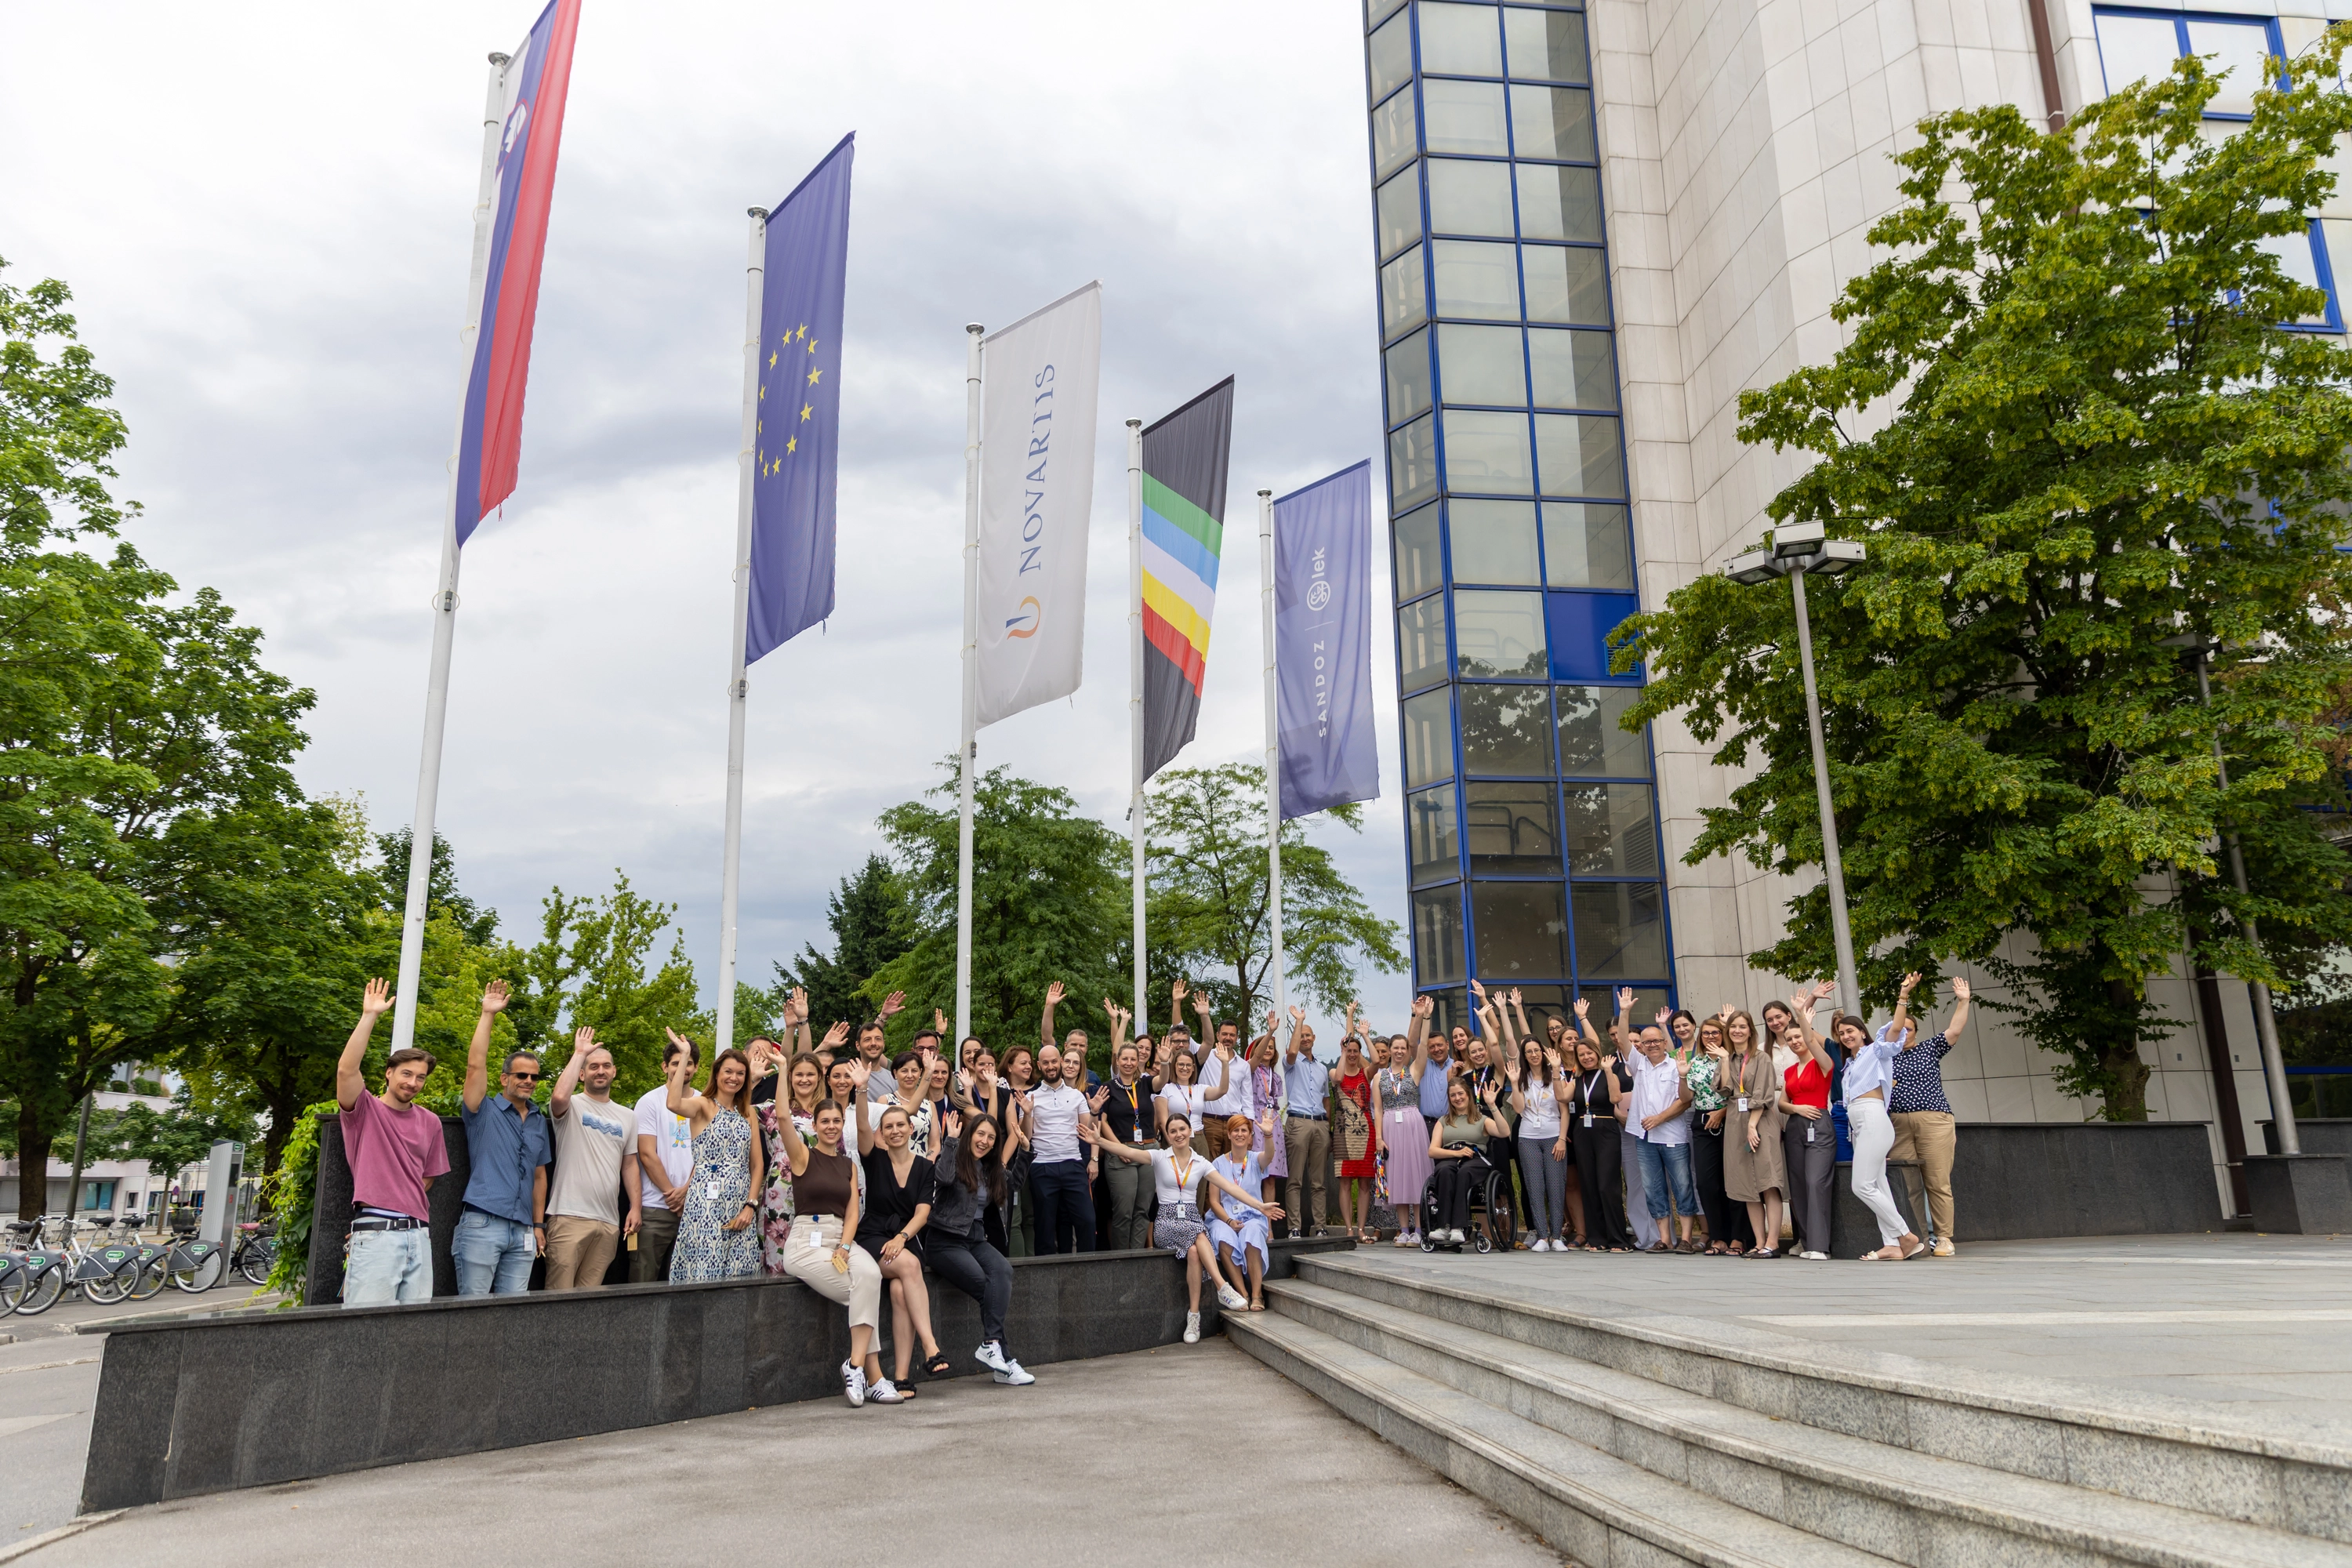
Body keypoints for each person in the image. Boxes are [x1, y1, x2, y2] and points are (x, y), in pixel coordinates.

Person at [1085, 1113, 1277, 1343]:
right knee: (1198, 1233)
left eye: (1182, 1129)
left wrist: (1259, 1205)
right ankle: (1222, 1286)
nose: (1178, 1135)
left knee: (1195, 1251)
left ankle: (1193, 1318)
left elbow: (1230, 1188)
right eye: (1173, 1131)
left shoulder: (1201, 1163)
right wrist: (1099, 1141)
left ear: (1190, 1131)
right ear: (1168, 1135)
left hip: (1191, 1218)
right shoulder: (1159, 1157)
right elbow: (1128, 1152)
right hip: (1166, 1221)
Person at [772, 1097, 895, 1405]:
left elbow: (852, 1213)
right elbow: (784, 1118)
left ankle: (854, 1366)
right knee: (862, 1292)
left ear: (843, 1125)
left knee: (870, 1273)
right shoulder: (802, 1155)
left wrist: (843, 1246)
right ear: (814, 1125)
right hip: (805, 1242)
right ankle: (874, 1376)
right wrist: (783, 1068)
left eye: (836, 1121)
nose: (831, 1126)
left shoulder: (848, 1165)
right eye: (824, 1121)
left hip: (841, 1238)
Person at [334, 978, 448, 1307]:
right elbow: (345, 1070)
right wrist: (369, 1015)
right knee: (366, 1328)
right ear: (388, 1073)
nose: (413, 1083)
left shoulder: (430, 1121)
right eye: (406, 1074)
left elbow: (427, 1177)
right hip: (377, 1234)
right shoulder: (364, 1109)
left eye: (421, 1077)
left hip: (419, 1235)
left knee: (413, 1331)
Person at [851, 1070, 947, 1395]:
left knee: (898, 1293)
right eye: (888, 1126)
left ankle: (902, 1376)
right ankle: (931, 1347)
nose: (894, 1130)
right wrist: (862, 1089)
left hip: (905, 1237)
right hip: (873, 1237)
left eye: (900, 1125)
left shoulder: (925, 1167)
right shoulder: (873, 1159)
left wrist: (902, 1238)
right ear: (882, 1133)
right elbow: (862, 1125)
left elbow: (923, 1212)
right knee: (908, 1266)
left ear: (911, 1129)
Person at [455, 979, 553, 1297]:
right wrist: (488, 1015)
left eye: (534, 1077)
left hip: (524, 1230)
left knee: (513, 1318)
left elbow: (540, 1177)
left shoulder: (539, 1120)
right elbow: (474, 1066)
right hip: (483, 1224)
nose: (528, 1081)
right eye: (521, 1075)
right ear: (505, 1078)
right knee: (472, 1313)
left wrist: (538, 1226)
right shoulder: (482, 1110)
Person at [926, 1109, 1032, 1385]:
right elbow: (944, 1179)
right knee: (988, 1288)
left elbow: (1015, 1184)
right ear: (970, 1135)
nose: (984, 1141)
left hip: (975, 1237)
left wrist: (1025, 1150)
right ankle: (1003, 1359)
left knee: (1003, 1272)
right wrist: (950, 1140)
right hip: (945, 1240)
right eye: (980, 1134)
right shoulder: (953, 1158)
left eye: (991, 1138)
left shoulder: (990, 1169)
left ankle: (995, 1353)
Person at [544, 1025, 641, 1290]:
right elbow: (559, 1096)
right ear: (582, 1074)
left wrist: (635, 1207)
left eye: (606, 1066)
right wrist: (579, 1054)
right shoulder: (572, 1105)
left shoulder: (628, 1116)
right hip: (568, 1216)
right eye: (594, 1066)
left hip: (609, 1222)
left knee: (589, 1305)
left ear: (614, 1071)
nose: (601, 1071)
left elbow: (630, 1164)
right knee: (558, 1297)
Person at [663, 1033, 764, 1282]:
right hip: (705, 1202)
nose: (734, 1078)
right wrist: (685, 1054)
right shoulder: (703, 1105)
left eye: (740, 1073)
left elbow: (757, 1164)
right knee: (703, 1268)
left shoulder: (748, 1112)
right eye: (728, 1071)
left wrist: (751, 1205)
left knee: (738, 1274)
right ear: (717, 1073)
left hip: (740, 1202)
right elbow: (674, 1103)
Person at [1846, 975, 1929, 1261]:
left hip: (1872, 1119)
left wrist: (1903, 995)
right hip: (1859, 1125)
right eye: (1842, 1033)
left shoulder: (1876, 1050)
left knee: (1861, 1186)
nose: (1846, 1036)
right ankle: (1891, 1244)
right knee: (1878, 1185)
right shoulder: (1851, 1063)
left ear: (1863, 1033)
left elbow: (1895, 1028)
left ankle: (1906, 1235)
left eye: (1851, 1031)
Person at [1890, 976, 1970, 1257]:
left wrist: (1963, 1001)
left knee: (1937, 1181)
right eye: (1898, 1029)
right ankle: (1919, 1238)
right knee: (1908, 1182)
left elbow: (1955, 1030)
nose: (1903, 1033)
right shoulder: (1884, 1057)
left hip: (1933, 1119)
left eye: (1908, 1029)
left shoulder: (1928, 1048)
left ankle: (1945, 1237)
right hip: (1897, 1123)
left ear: (1915, 1031)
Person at [1614, 1015, 1698, 1252]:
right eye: (1646, 1042)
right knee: (1653, 1189)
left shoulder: (1676, 1066)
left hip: (1673, 1136)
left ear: (1664, 1042)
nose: (1651, 1045)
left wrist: (1659, 1118)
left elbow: (1685, 1100)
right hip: (1644, 1138)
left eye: (1656, 1041)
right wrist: (1624, 1011)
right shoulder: (1638, 1064)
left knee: (1683, 1187)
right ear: (1640, 1045)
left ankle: (1687, 1239)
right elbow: (1622, 1040)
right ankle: (1665, 1239)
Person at [753, 1040, 833, 1274]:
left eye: (810, 1074)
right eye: (799, 1074)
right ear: (789, 1077)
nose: (804, 1079)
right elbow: (735, 1108)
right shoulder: (771, 1109)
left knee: (815, 1255)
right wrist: (752, 1080)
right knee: (777, 1253)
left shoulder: (828, 1111)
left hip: (819, 1187)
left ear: (820, 1077)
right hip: (781, 1190)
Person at [1777, 985, 1840, 1259]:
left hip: (1819, 1124)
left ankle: (1819, 1246)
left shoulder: (1822, 1063)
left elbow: (1814, 1043)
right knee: (1799, 1185)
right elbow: (1781, 1103)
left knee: (1816, 1182)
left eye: (1798, 1036)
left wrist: (1802, 1016)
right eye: (1789, 1039)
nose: (1795, 1041)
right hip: (1795, 1126)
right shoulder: (1791, 1070)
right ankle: (1805, 1241)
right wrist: (1797, 1108)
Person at [633, 1033, 699, 1283]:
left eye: (689, 1062)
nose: (684, 1068)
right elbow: (647, 1154)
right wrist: (673, 1195)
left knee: (687, 1284)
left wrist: (687, 1192)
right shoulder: (649, 1102)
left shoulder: (704, 1102)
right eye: (676, 1062)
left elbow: (707, 1156)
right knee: (643, 1281)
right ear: (665, 1067)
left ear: (696, 1067)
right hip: (655, 1207)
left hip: (693, 1208)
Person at [1721, 1009, 1788, 1258]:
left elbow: (1764, 1095)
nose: (1737, 1030)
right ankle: (1759, 1242)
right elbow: (1725, 1090)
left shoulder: (1761, 1058)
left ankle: (1773, 1242)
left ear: (1751, 1030)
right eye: (1733, 1027)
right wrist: (1725, 1061)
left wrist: (1752, 1125)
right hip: (1736, 1122)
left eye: (1742, 1026)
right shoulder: (1727, 1058)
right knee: (1747, 1185)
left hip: (1759, 1121)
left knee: (1768, 1182)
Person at [1093, 1007, 1158, 1250]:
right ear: (1117, 1061)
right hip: (1121, 1153)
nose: (1129, 1062)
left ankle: (1138, 1257)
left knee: (1143, 1210)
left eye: (1134, 1059)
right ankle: (1122, 1259)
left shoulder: (1146, 1083)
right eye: (1125, 1059)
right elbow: (1103, 1121)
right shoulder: (1109, 1087)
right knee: (1124, 1212)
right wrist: (1118, 1147)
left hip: (1149, 1151)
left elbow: (1163, 1080)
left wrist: (1165, 1060)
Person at [1504, 1003, 1569, 1251]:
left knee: (1556, 1186)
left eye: (1537, 1050)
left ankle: (1557, 1236)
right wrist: (1514, 1083)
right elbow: (1519, 1109)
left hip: (1554, 1136)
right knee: (1534, 1187)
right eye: (1529, 1051)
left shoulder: (1556, 1073)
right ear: (1524, 1055)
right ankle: (1542, 1236)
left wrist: (1562, 1139)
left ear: (1543, 1052)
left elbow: (1564, 1108)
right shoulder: (1520, 1077)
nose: (1533, 1054)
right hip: (1528, 1137)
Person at [1026, 1042, 1097, 1254]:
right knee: (1045, 1226)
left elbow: (1087, 1130)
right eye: (1045, 1062)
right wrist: (1027, 1113)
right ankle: (1044, 1275)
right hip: (1042, 1166)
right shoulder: (1031, 1097)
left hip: (1073, 1164)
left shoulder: (1076, 1096)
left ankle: (1087, 1268)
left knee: (1087, 1220)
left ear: (1061, 1062)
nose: (1050, 1066)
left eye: (1054, 1061)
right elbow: (1027, 1136)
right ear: (1039, 1065)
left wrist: (1094, 1111)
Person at [1376, 1000, 1434, 1247]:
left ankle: (1419, 1228)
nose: (1399, 1051)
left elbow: (1419, 1045)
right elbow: (1377, 1109)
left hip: (1413, 1124)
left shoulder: (1414, 1070)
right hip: (1390, 1125)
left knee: (1417, 1175)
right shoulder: (1379, 1076)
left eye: (1402, 1048)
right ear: (1389, 1050)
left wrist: (1424, 1017)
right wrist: (1379, 1137)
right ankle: (1403, 1229)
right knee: (1397, 1176)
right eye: (1395, 1047)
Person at [1566, 1029, 1630, 1250]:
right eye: (1581, 1054)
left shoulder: (1607, 1072)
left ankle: (1619, 1240)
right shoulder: (1578, 1079)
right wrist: (1556, 1070)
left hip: (1606, 1128)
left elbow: (1616, 1098)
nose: (1586, 1057)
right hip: (1583, 1132)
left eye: (1589, 1053)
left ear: (1597, 1052)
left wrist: (1609, 1071)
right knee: (1590, 1185)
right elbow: (1562, 1097)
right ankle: (1597, 1239)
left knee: (1607, 1185)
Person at [1426, 1076, 1508, 1245]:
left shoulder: (1482, 1119)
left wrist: (1492, 1106)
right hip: (1451, 1156)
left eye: (1460, 1094)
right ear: (1449, 1098)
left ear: (1468, 1095)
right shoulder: (1443, 1121)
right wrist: (1456, 1154)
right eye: (1453, 1095)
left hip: (1475, 1157)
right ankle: (1444, 1226)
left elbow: (1504, 1132)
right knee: (1444, 1171)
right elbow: (1432, 1151)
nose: (1458, 1098)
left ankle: (1458, 1228)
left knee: (1464, 1172)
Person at [1207, 1115, 1274, 1309]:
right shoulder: (1217, 1164)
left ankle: (1257, 1294)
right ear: (1229, 1134)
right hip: (1224, 1217)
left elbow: (1269, 1155)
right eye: (1235, 1130)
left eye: (1244, 1130)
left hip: (1252, 1216)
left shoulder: (1255, 1159)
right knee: (1221, 1236)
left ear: (1251, 1136)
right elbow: (1213, 1201)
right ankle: (1241, 1293)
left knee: (1251, 1233)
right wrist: (1228, 1221)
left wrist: (1268, 1135)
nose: (1240, 1134)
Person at [1686, 1014, 1739, 1255]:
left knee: (1733, 1182)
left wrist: (1723, 1112)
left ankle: (1738, 1237)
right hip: (1703, 1122)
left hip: (1732, 1120)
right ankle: (1718, 1237)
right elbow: (1687, 1098)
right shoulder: (1696, 1062)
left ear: (1724, 1034)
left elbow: (1740, 1093)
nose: (1710, 1037)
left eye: (1715, 1033)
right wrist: (1681, 1075)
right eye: (1705, 1033)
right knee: (1707, 1183)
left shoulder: (1735, 1059)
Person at [1606, 991, 1653, 1248]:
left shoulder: (1654, 1064)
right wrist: (1624, 1012)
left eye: (1640, 1041)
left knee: (1657, 1184)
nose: (1635, 1044)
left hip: (1654, 1130)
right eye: (1631, 1040)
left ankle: (1661, 1234)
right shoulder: (1616, 1064)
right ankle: (1643, 1235)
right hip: (1626, 1130)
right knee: (1635, 1183)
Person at [1280, 1007, 1331, 1237]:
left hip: (1320, 1123)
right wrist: (1299, 1021)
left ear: (1314, 1039)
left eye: (1308, 1035)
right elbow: (1292, 1051)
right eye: (1301, 1035)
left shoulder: (1322, 1068)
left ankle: (1320, 1227)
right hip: (1298, 1123)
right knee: (1295, 1180)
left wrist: (1327, 1126)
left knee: (1319, 1181)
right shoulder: (1291, 1063)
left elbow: (1326, 1099)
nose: (1305, 1038)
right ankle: (1294, 1227)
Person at [1331, 1019, 1379, 1241]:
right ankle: (1349, 1229)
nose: (1351, 1054)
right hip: (1343, 1134)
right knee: (1345, 1181)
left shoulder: (1366, 1073)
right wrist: (1342, 1051)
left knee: (1364, 1182)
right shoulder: (1334, 1070)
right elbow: (1339, 1079)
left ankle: (1361, 1229)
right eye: (1349, 1050)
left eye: (1354, 1051)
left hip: (1365, 1132)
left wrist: (1366, 1036)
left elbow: (1377, 1061)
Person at [1155, 1040, 1225, 1142]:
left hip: (1198, 1138)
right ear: (1174, 1066)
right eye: (1181, 1064)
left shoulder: (1200, 1089)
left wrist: (1225, 1064)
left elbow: (1222, 1090)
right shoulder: (1165, 1089)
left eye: (1188, 1065)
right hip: (1175, 1138)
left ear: (1193, 1068)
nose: (1185, 1068)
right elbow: (1163, 1121)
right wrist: (1172, 1143)